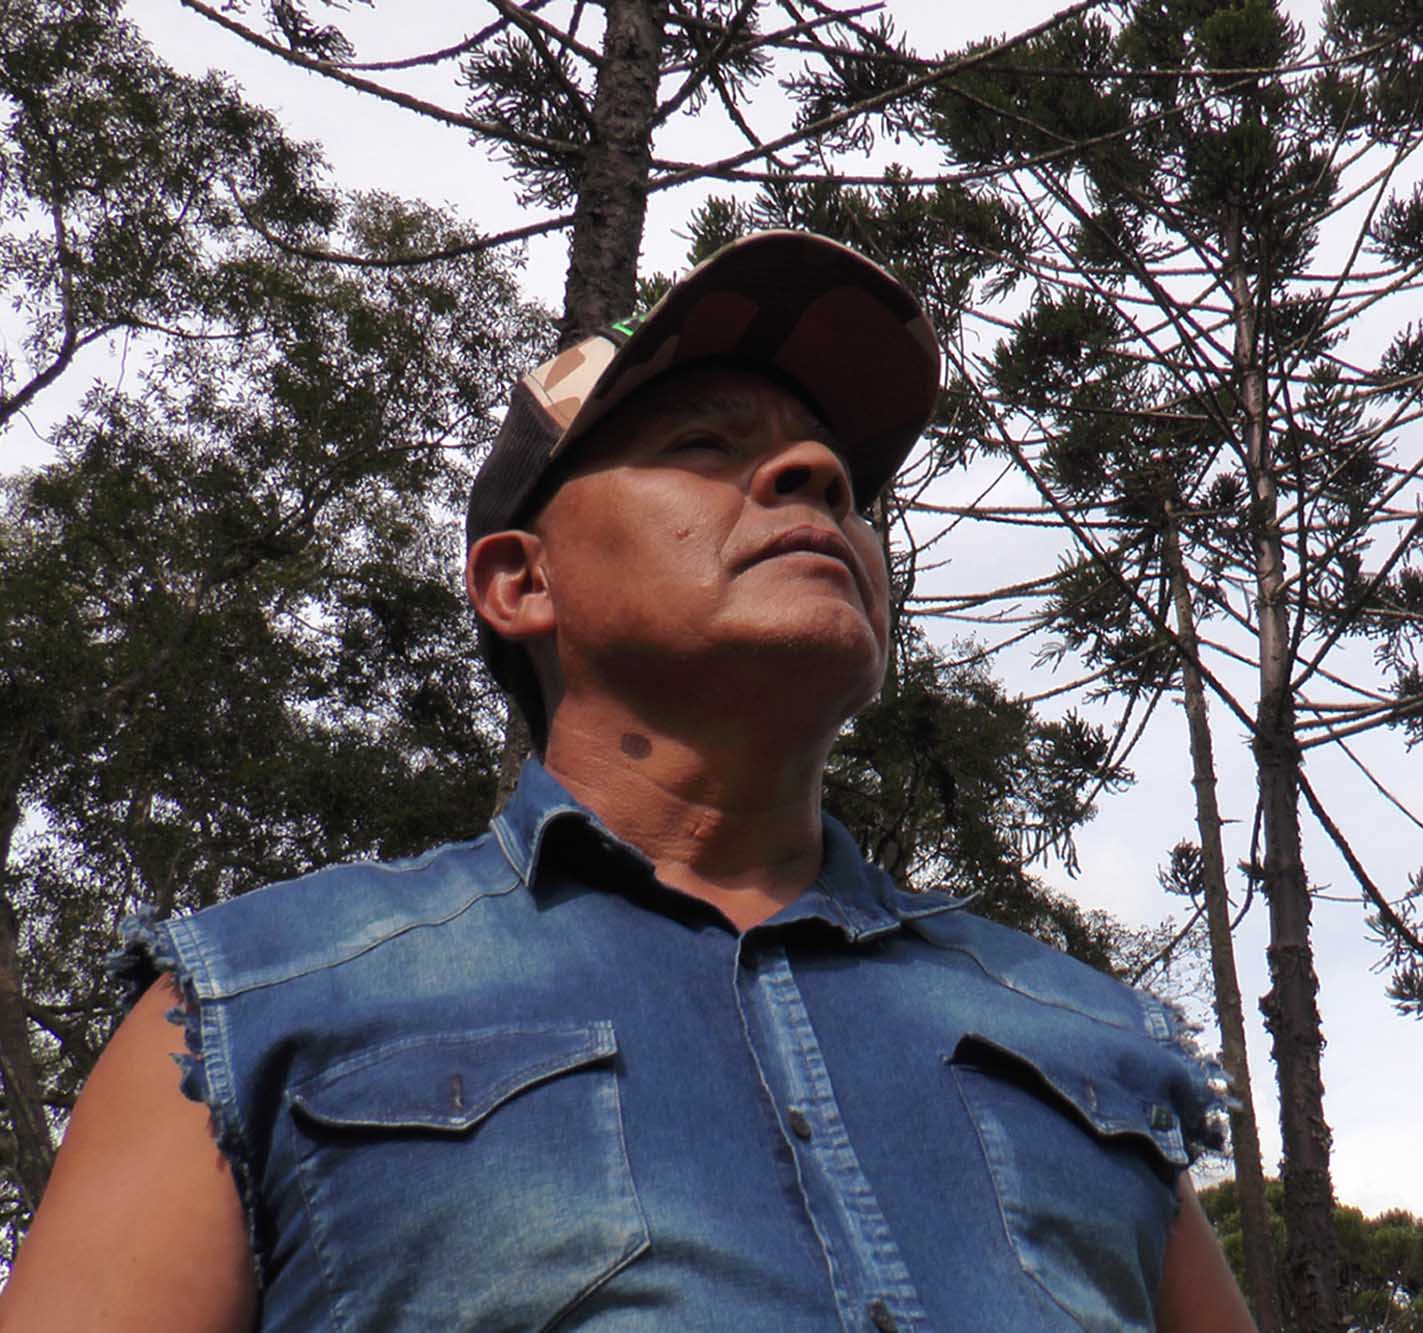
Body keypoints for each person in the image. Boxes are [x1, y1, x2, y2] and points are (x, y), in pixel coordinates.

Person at [0, 232, 1254, 1331]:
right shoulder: (252, 1000)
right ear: (521, 581)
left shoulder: (1091, 1039)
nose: (814, 476)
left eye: (843, 478)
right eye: (705, 445)